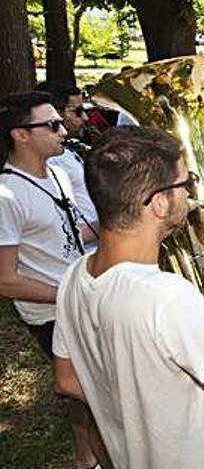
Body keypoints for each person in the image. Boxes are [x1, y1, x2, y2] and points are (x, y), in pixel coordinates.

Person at [52, 126, 204, 469]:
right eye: (185, 184)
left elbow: (68, 380)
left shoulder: (74, 276)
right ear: (158, 203)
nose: (190, 193)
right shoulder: (164, 297)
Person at [0, 91, 100, 469]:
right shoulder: (6, 196)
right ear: (20, 134)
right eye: (52, 124)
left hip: (76, 296)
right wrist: (66, 295)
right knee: (83, 387)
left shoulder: (57, 173)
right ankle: (86, 459)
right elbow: (5, 280)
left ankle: (94, 455)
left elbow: (64, 232)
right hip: (51, 310)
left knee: (92, 385)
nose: (63, 130)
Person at [36, 82, 100, 250]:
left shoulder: (67, 151)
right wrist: (113, 225)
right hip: (80, 257)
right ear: (56, 114)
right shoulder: (49, 160)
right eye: (78, 111)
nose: (85, 118)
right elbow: (55, 234)